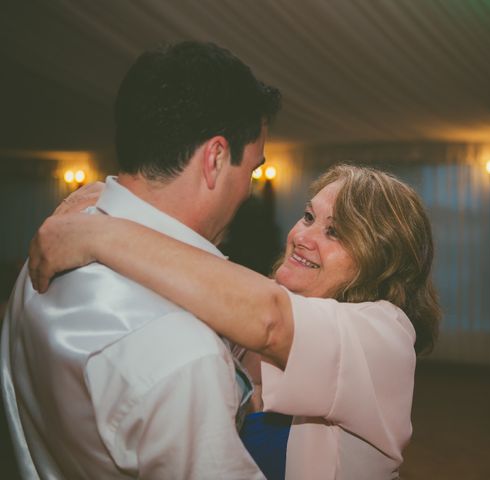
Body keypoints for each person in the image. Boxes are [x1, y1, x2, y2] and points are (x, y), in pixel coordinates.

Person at [30, 164, 441, 479]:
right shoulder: (264, 299)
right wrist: (118, 203)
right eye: (308, 216)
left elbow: (267, 318)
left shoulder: (386, 335)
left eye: (335, 233)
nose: (303, 236)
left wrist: (99, 235)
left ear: (380, 262)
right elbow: (213, 278)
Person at [1, 40, 281, 479]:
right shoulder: (183, 354)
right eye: (252, 168)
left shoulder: (47, 249)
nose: (248, 187)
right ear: (216, 158)